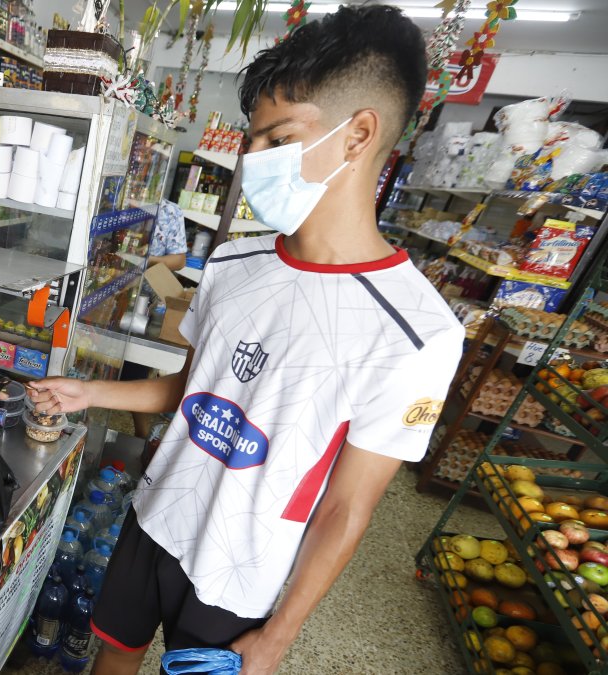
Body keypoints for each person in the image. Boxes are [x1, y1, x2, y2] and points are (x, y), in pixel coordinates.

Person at [28, 7, 463, 674]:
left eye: (276, 137)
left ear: (359, 134)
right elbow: (191, 388)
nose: (248, 159)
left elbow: (349, 507)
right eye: (250, 138)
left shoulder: (415, 332)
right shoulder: (233, 264)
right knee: (108, 658)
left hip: (243, 569)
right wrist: (89, 391)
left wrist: (277, 636)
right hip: (155, 517)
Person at [120, 198, 188, 439]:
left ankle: (142, 436)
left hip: (141, 305)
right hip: (103, 297)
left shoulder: (169, 211)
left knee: (133, 372)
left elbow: (179, 260)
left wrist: (147, 260)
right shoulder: (112, 199)